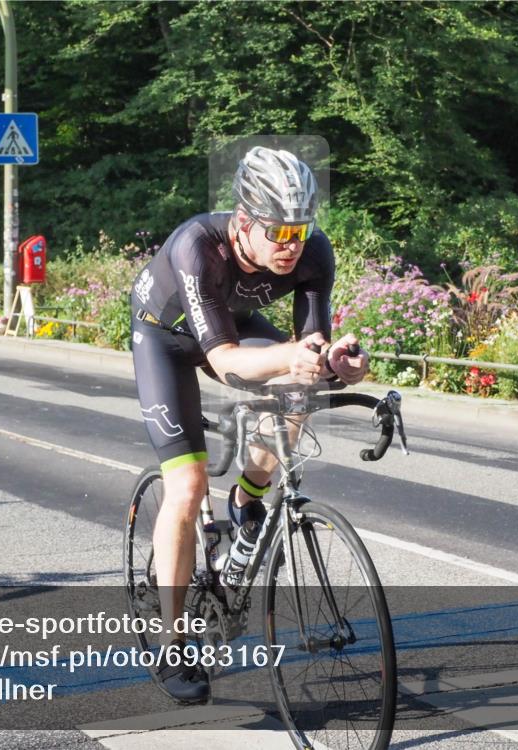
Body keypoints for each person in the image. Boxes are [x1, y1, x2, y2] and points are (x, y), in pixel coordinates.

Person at [130, 146, 370, 702]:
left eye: (300, 230)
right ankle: (171, 642)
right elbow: (226, 362)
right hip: (165, 340)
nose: (291, 246)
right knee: (186, 486)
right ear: (243, 222)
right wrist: (291, 357)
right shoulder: (198, 248)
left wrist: (335, 363)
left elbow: (307, 346)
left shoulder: (313, 254)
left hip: (231, 326)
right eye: (278, 233)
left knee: (298, 391)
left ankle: (246, 498)